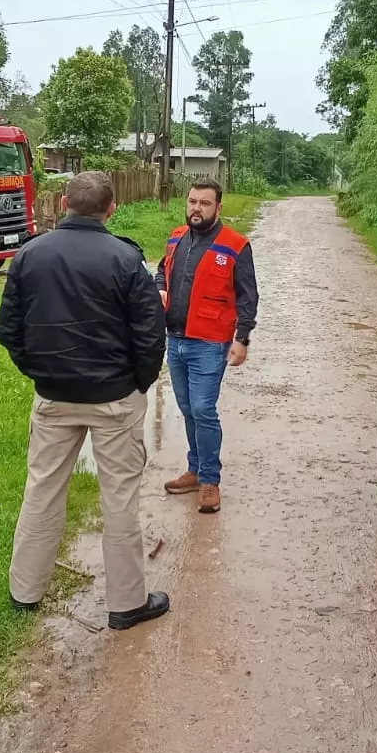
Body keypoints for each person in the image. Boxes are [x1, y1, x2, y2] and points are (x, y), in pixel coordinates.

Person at [0, 171, 170, 631]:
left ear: (62, 203)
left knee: (42, 491)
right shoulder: (126, 259)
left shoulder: (29, 254)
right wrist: (139, 384)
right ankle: (127, 603)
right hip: (114, 397)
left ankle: (24, 592)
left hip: (54, 396)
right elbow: (150, 335)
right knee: (119, 500)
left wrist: (40, 372)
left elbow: (8, 331)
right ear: (111, 209)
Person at [155, 178, 258, 515]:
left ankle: (210, 480)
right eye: (192, 201)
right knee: (187, 408)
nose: (196, 208)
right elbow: (161, 271)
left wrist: (242, 339)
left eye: (204, 203)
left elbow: (248, 297)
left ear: (218, 207)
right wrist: (159, 289)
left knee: (202, 409)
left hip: (210, 343)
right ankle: (195, 470)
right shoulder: (175, 238)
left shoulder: (235, 246)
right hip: (176, 338)